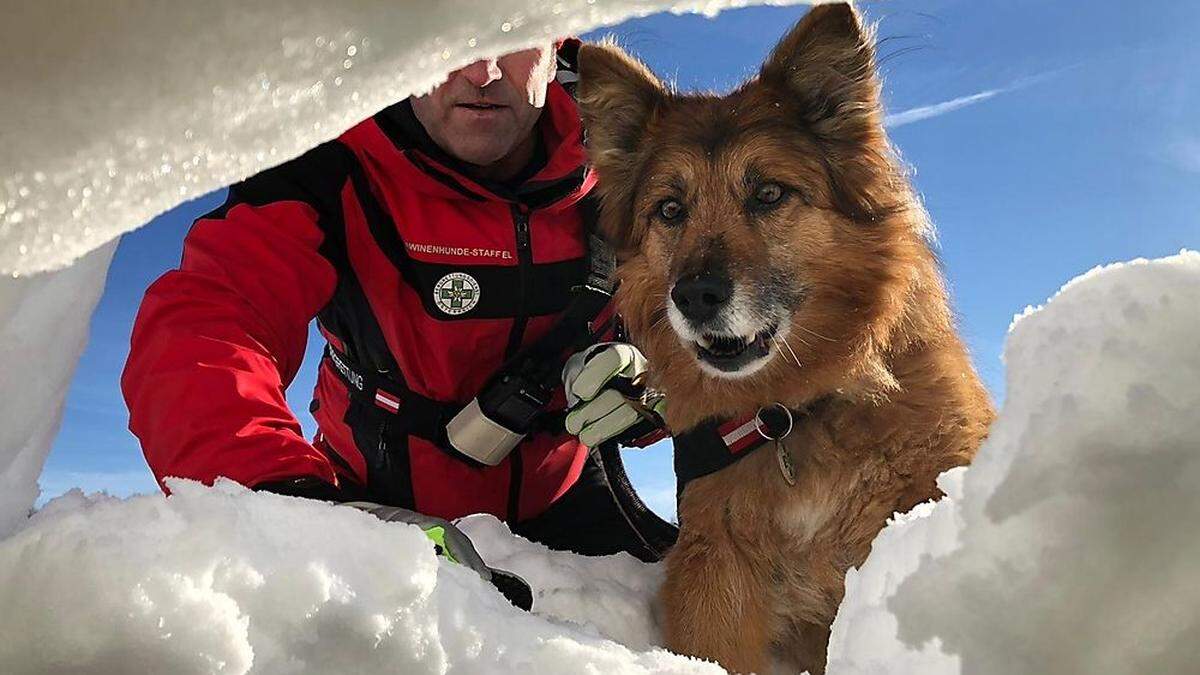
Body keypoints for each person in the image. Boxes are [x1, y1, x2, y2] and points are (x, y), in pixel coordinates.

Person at [121, 41, 676, 594]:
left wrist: (658, 385)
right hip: (367, 500)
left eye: (512, 35)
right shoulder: (327, 162)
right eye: (446, 39)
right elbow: (210, 322)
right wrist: (289, 507)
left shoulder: (637, 164)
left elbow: (714, 325)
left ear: (557, 42)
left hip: (570, 494)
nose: (480, 73)